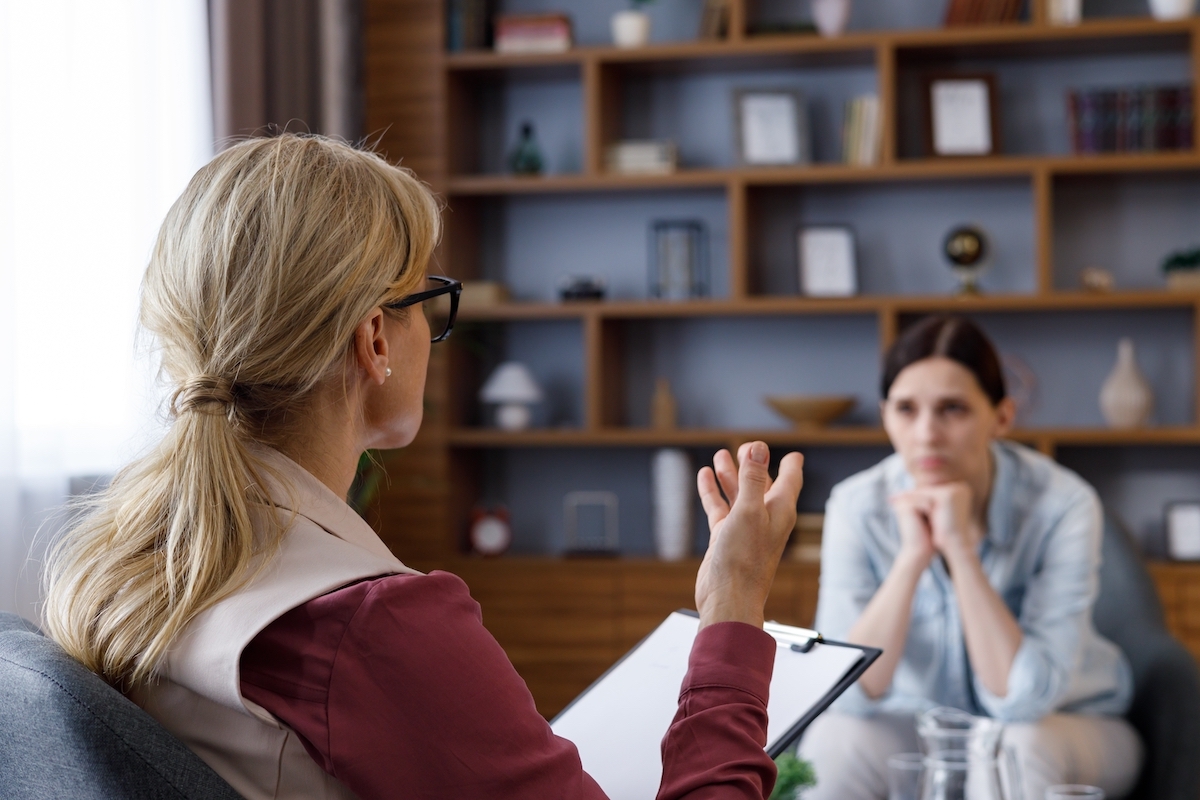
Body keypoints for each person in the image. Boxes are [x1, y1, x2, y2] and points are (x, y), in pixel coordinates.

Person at [41, 134, 806, 800]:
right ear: (375, 340)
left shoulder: (123, 566)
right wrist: (733, 607)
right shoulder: (365, 628)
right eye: (428, 300)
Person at [798, 315, 1141, 800]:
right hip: (920, 726)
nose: (926, 434)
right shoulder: (857, 505)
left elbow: (1022, 700)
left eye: (952, 409)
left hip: (1067, 724)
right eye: (906, 409)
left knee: (1017, 749)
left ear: (1001, 417)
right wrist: (912, 558)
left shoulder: (1064, 503)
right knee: (833, 742)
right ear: (885, 415)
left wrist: (960, 550)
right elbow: (847, 696)